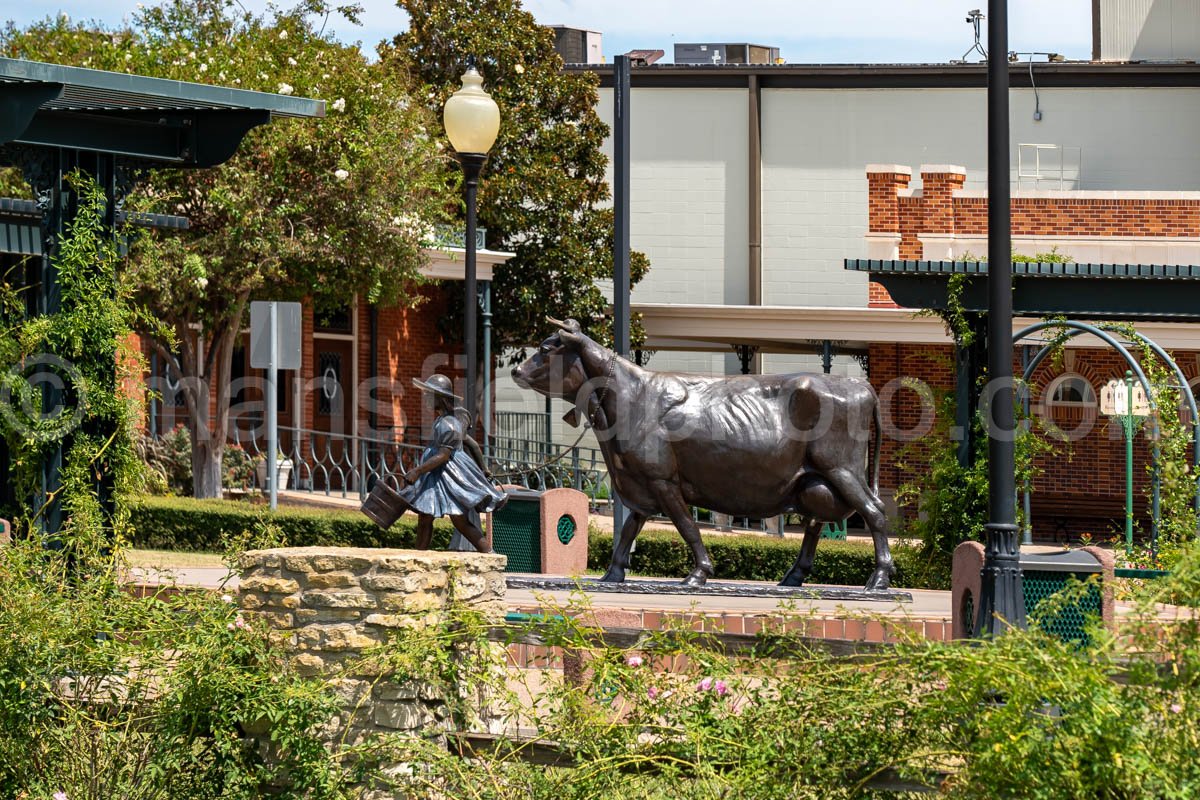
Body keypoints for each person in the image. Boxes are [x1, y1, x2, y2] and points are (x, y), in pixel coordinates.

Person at [361, 374, 506, 553]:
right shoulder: (443, 420)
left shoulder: (449, 425)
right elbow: (473, 444)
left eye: (429, 394)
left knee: (460, 521)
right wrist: (483, 469)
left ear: (442, 398)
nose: (425, 398)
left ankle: (489, 553)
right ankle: (419, 556)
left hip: (449, 476)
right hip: (437, 476)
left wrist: (417, 471)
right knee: (425, 516)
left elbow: (443, 456)